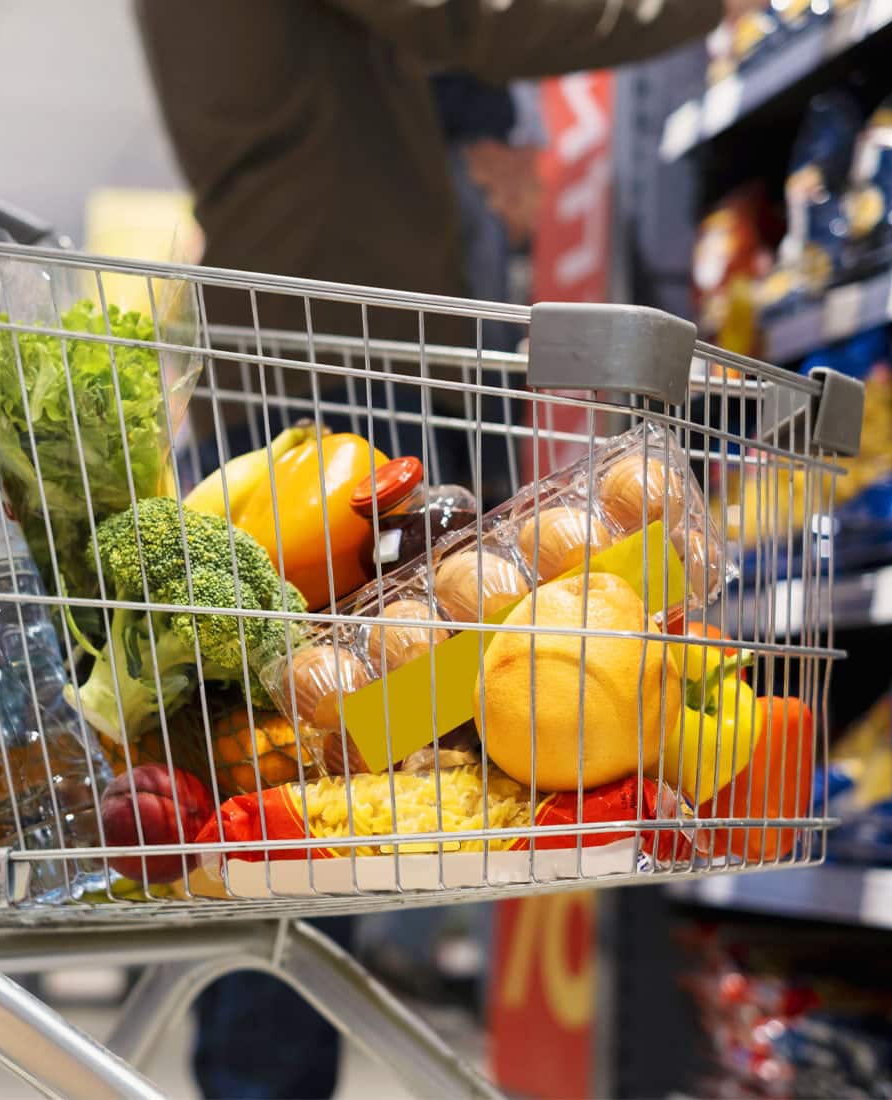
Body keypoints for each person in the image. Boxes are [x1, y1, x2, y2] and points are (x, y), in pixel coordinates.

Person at [134, 1, 764, 1097]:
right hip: (345, 374)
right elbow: (477, 19)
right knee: (311, 793)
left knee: (284, 786)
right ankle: (259, 1081)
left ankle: (254, 1074)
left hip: (286, 359)